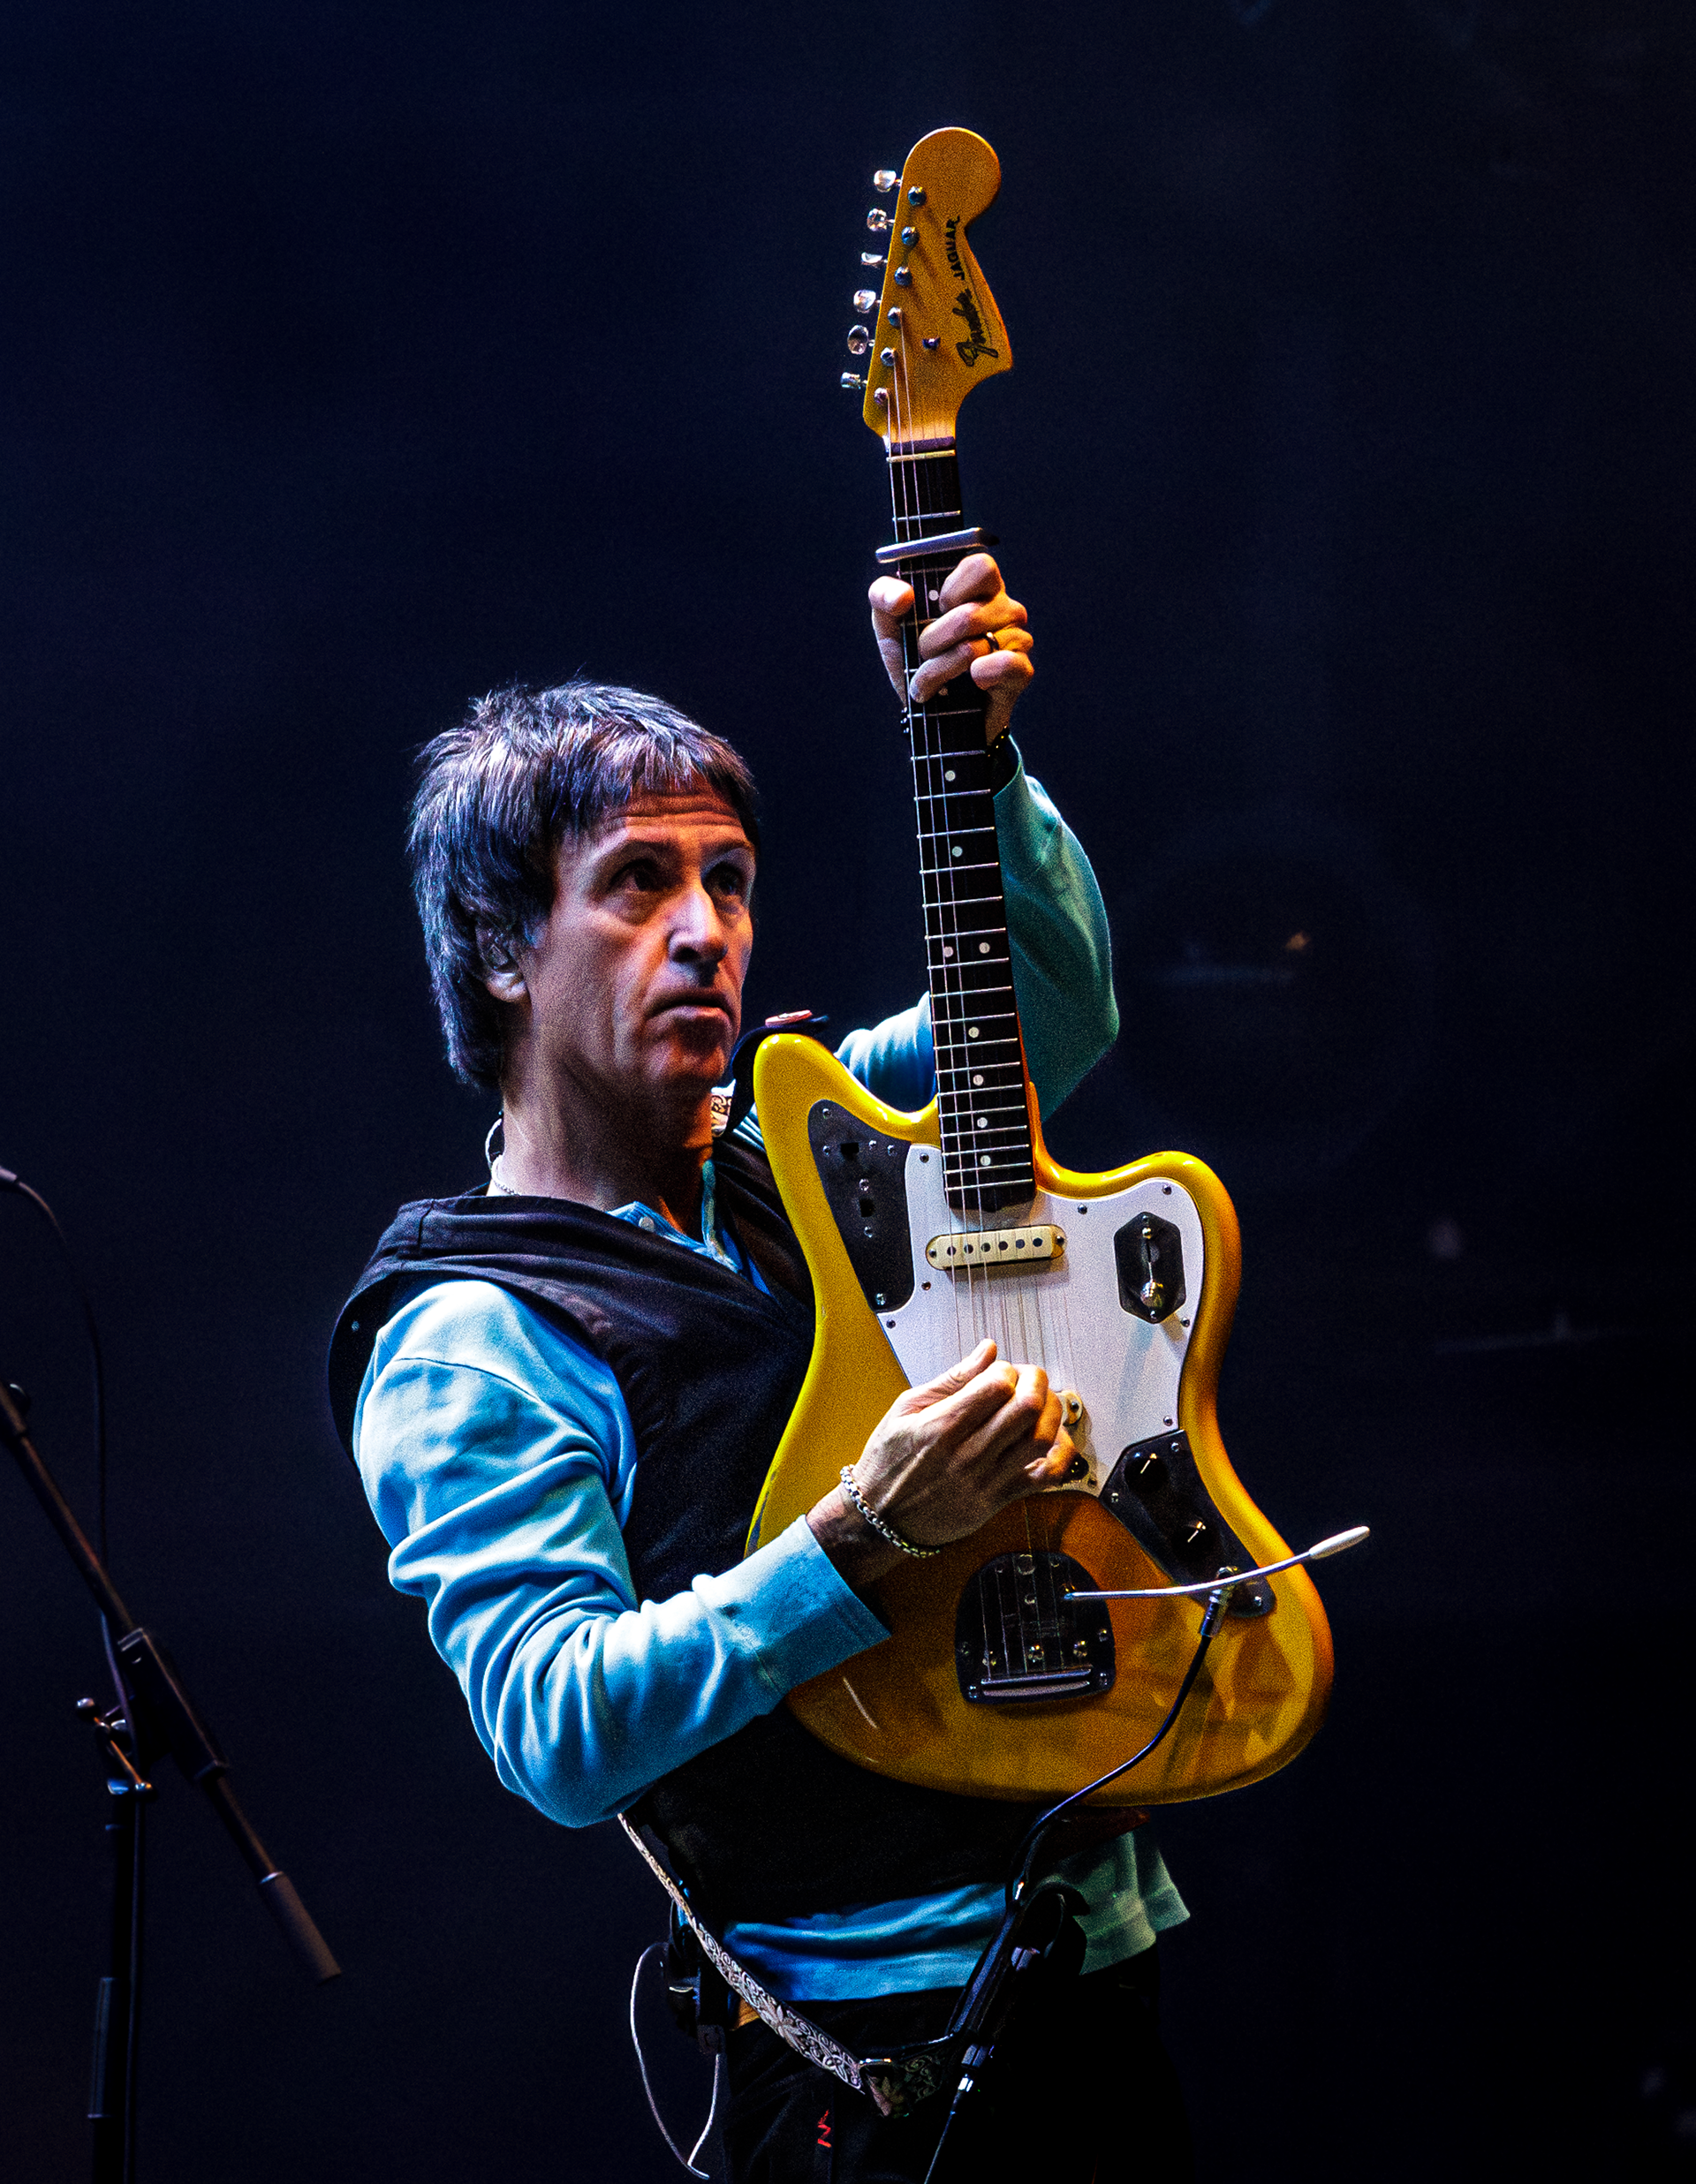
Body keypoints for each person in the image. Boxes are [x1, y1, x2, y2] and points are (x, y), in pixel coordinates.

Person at [329, 557, 1194, 2181]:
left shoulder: (811, 1145)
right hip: (877, 2079)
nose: (705, 932)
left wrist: (975, 754)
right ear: (500, 949)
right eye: (640, 883)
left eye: (728, 881)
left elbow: (1052, 1014)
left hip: (1094, 1969)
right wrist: (867, 1535)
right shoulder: (473, 1337)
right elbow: (561, 1733)